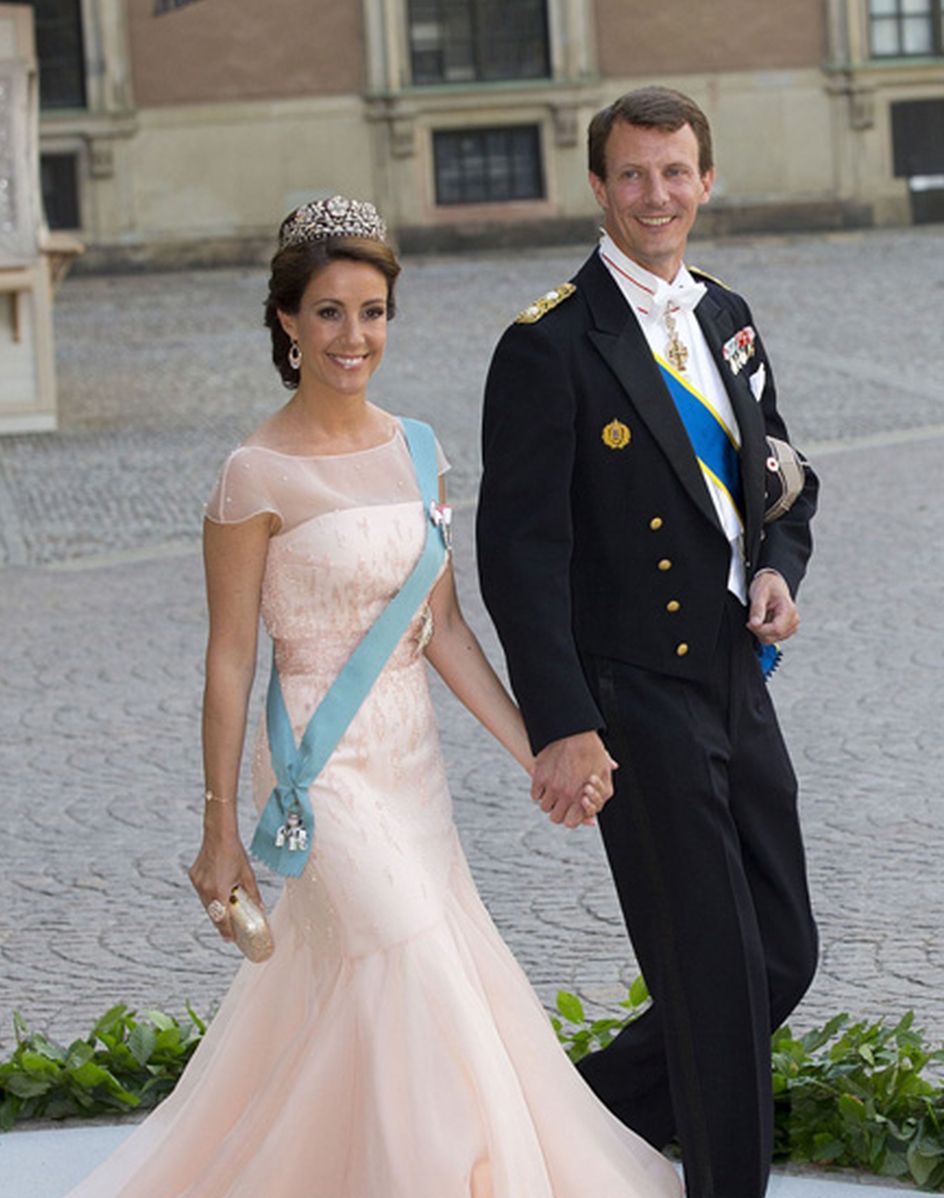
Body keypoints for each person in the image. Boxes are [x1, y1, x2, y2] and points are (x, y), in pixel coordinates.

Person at [62, 196, 682, 1198]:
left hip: (411, 757)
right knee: (413, 962)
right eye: (330, 313)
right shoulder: (250, 475)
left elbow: (441, 632)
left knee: (396, 983)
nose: (355, 337)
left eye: (373, 311)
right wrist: (220, 830)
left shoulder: (419, 450)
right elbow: (228, 661)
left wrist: (541, 748)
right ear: (286, 324)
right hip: (319, 763)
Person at [476, 88, 820, 1198]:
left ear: (704, 181)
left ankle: (559, 1119)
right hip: (633, 696)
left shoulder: (725, 314)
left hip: (734, 673)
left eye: (674, 173)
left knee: (782, 951)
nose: (655, 195)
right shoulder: (549, 345)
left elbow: (781, 480)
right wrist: (565, 724)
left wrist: (776, 567)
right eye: (632, 175)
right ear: (598, 186)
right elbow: (518, 559)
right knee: (713, 977)